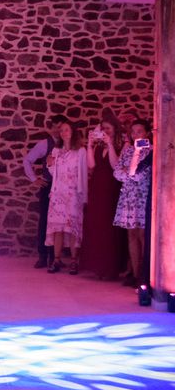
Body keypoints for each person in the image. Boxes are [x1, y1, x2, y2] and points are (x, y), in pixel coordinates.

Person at [81, 110, 126, 280]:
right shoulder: (99, 146)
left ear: (114, 129)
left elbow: (116, 166)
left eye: (108, 128)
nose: (105, 131)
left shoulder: (121, 144)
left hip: (111, 187)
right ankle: (96, 266)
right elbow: (91, 164)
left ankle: (110, 267)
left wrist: (111, 145)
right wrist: (90, 145)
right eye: (103, 128)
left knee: (109, 226)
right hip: (97, 186)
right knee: (96, 223)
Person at [23, 114, 69, 269]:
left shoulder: (69, 145)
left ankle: (56, 257)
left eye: (60, 127)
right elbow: (27, 160)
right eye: (54, 127)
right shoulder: (44, 144)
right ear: (51, 128)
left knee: (61, 223)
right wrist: (34, 179)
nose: (57, 130)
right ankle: (43, 255)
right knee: (44, 222)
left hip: (65, 188)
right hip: (48, 186)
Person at [113, 119, 152, 287]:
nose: (136, 135)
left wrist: (127, 172)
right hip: (128, 197)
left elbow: (137, 175)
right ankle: (135, 274)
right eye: (133, 132)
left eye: (139, 131)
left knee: (143, 236)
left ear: (147, 134)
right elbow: (116, 172)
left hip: (142, 197)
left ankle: (144, 275)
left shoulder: (150, 151)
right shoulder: (128, 150)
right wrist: (127, 173)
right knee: (131, 235)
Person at [45, 121, 88, 275]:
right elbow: (53, 173)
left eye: (66, 130)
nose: (63, 133)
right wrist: (49, 165)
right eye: (61, 130)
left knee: (72, 228)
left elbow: (83, 173)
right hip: (58, 193)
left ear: (73, 131)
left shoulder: (80, 151)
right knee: (58, 228)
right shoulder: (57, 151)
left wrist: (84, 196)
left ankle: (74, 261)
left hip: (74, 193)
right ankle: (56, 260)